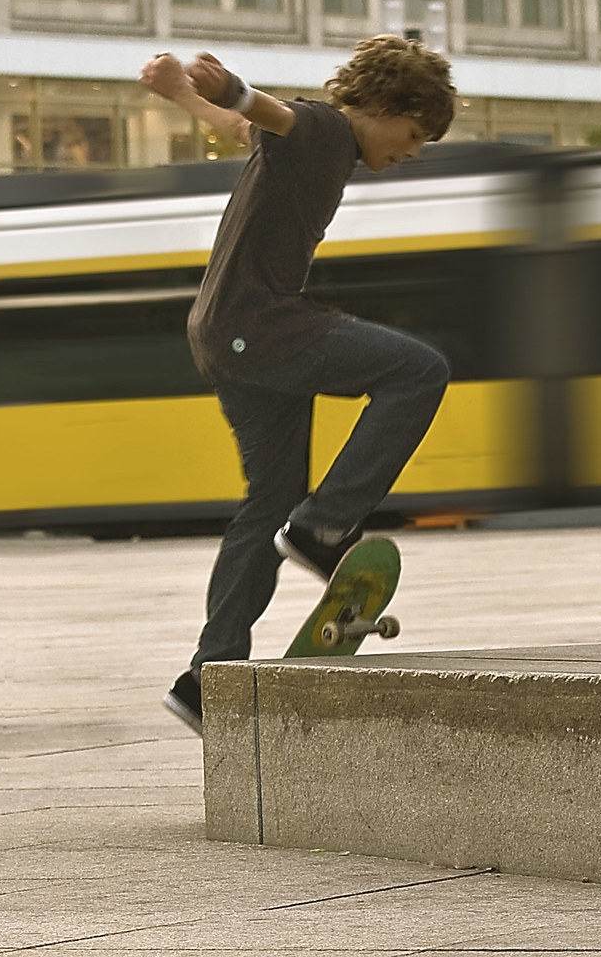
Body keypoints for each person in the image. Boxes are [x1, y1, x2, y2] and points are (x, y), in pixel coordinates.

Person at [138, 36, 456, 734]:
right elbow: (265, 113)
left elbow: (245, 128)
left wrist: (181, 96)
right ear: (381, 106)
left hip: (227, 336)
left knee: (266, 503)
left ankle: (208, 676)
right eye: (411, 134)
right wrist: (226, 89)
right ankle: (324, 525)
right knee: (419, 370)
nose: (413, 151)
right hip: (262, 325)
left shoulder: (321, 146)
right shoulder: (326, 128)